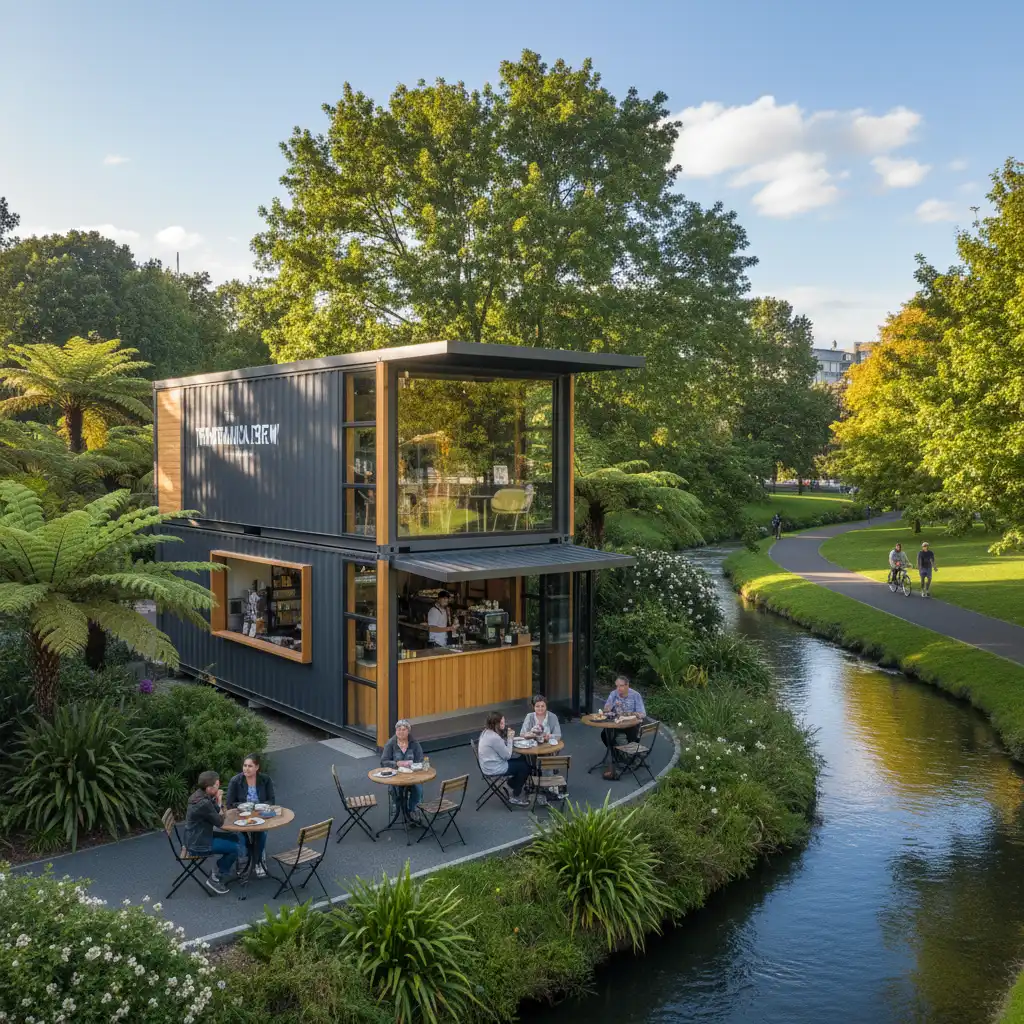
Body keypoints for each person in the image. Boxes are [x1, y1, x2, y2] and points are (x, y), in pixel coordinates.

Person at [184, 771, 243, 895]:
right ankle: (215, 877)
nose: (218, 786)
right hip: (198, 844)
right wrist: (219, 800)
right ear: (209, 788)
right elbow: (220, 821)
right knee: (235, 848)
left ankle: (230, 868)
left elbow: (215, 811)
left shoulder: (200, 795)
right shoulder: (203, 803)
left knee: (234, 837)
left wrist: (216, 800)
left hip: (197, 836)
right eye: (216, 784)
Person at [225, 753, 276, 877]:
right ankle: (244, 860)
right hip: (241, 816)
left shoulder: (265, 780)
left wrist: (261, 807)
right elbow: (229, 804)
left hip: (260, 814)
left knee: (262, 833)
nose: (246, 769)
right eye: (245, 765)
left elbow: (271, 800)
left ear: (257, 767)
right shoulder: (235, 781)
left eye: (250, 766)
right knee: (242, 837)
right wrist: (243, 806)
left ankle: (258, 861)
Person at [478, 711, 531, 806]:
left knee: (523, 758)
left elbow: (500, 746)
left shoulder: (486, 732)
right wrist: (510, 738)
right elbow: (507, 755)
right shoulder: (494, 738)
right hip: (494, 768)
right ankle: (515, 796)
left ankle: (512, 784)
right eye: (502, 723)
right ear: (496, 724)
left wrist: (507, 737)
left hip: (489, 764)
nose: (504, 724)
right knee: (524, 767)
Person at [381, 719, 425, 823]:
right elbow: (383, 762)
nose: (401, 732)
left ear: (408, 731)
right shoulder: (390, 744)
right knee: (395, 790)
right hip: (396, 776)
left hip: (412, 775)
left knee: (418, 789)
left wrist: (413, 765)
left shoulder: (414, 743)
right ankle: (399, 807)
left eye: (404, 729)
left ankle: (413, 810)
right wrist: (396, 764)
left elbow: (420, 760)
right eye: (399, 729)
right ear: (396, 731)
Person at [601, 675, 646, 751]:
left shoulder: (635, 695)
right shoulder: (614, 694)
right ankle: (616, 751)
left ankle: (624, 751)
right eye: (617, 686)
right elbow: (606, 710)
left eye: (621, 686)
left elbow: (642, 714)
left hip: (631, 726)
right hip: (616, 724)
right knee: (604, 734)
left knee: (617, 736)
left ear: (627, 685)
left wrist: (629, 714)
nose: (618, 689)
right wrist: (609, 707)